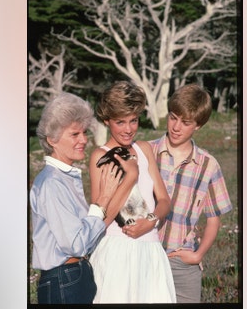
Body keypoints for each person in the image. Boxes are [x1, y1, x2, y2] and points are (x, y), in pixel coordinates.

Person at [30, 92, 139, 304]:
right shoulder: (52, 183)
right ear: (52, 139)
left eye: (84, 132)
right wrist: (103, 199)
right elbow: (77, 244)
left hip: (75, 276)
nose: (83, 140)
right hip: (64, 278)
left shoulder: (64, 178)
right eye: (74, 134)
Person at [88, 81, 176, 303]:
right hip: (117, 251)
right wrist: (130, 177)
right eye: (120, 122)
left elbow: (164, 200)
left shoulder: (144, 149)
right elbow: (101, 219)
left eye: (133, 120)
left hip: (151, 249)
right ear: (107, 121)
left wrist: (151, 221)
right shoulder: (100, 156)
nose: (128, 129)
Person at [148, 84, 233, 303]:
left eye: (186, 123)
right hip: (144, 254)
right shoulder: (146, 151)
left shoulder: (208, 165)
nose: (176, 127)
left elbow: (214, 219)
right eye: (173, 117)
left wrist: (198, 254)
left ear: (198, 126)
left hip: (181, 260)